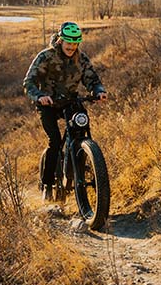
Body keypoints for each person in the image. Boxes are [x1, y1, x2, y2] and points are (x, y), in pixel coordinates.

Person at [23, 21, 108, 202]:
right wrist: (39, 96)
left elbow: (92, 80)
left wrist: (98, 91)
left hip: (70, 101)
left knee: (81, 127)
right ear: (60, 40)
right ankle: (47, 184)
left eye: (75, 42)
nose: (71, 46)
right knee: (54, 141)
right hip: (48, 103)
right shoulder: (46, 57)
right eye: (68, 42)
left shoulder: (81, 58)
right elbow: (28, 82)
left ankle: (80, 158)